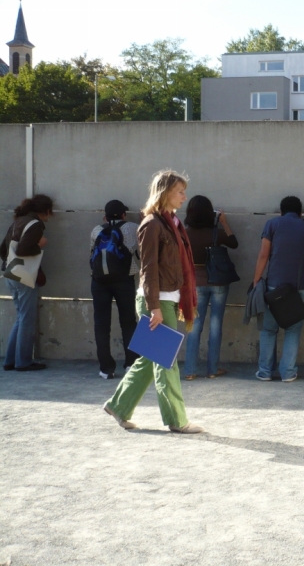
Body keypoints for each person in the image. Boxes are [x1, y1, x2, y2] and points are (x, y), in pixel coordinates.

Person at [103, 170, 203, 433]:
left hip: (167, 298)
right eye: (180, 190)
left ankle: (118, 406)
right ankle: (177, 420)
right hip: (157, 301)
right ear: (165, 192)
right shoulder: (152, 224)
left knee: (151, 359)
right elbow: (147, 268)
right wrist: (155, 307)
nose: (184, 196)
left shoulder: (172, 223)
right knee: (165, 362)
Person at [253, 196, 304, 383]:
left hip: (275, 288)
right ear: (300, 212)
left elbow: (263, 254)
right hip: (299, 289)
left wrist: (256, 280)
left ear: (281, 211)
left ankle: (265, 372)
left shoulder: (272, 225)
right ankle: (288, 373)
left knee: (268, 330)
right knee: (292, 331)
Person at [183, 195, 239, 381]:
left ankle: (190, 370)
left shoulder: (184, 233)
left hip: (195, 283)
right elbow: (234, 243)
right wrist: (223, 222)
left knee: (194, 326)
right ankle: (212, 369)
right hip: (218, 283)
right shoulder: (216, 233)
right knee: (216, 325)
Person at [1, 194, 54, 372]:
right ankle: (23, 361)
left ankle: (10, 360)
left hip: (11, 273)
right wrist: (40, 244)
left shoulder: (18, 221)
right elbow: (24, 249)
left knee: (21, 317)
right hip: (24, 276)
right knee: (27, 319)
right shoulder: (35, 224)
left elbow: (3, 249)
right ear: (46, 211)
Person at [90, 200, 140, 380]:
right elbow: (139, 252)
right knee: (128, 322)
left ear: (105, 216)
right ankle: (131, 364)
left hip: (99, 282)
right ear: (124, 215)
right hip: (124, 281)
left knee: (101, 324)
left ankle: (106, 368)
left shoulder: (96, 230)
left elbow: (92, 255)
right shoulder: (133, 228)